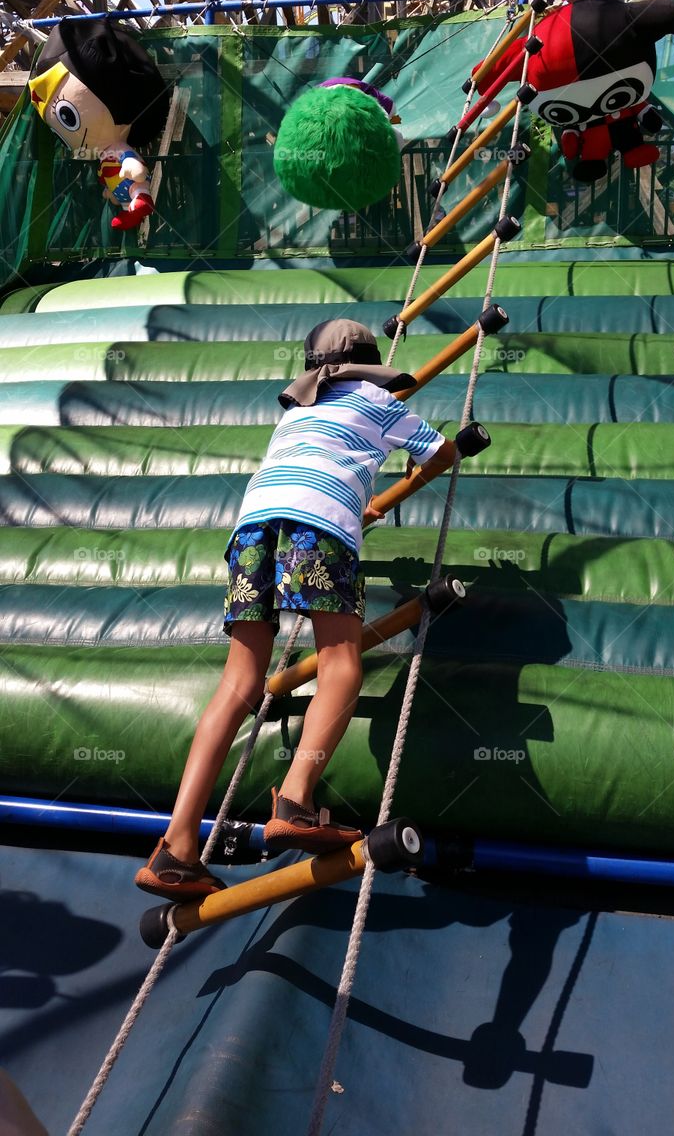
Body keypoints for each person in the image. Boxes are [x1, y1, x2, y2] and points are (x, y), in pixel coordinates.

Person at [135, 319, 456, 901]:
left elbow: (305, 467)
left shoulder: (295, 410)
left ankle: (176, 847)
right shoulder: (378, 400)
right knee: (341, 663)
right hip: (321, 529)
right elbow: (443, 451)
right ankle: (296, 799)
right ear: (369, 362)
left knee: (238, 683)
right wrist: (416, 471)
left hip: (253, 528)